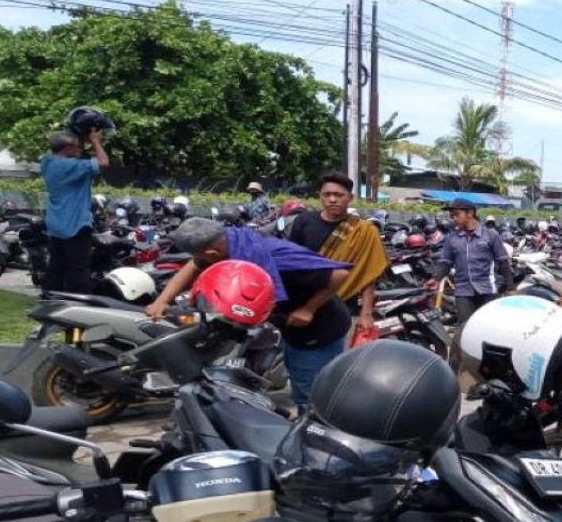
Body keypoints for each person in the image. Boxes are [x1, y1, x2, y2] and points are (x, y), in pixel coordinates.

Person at [144, 217, 352, 411]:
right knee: (297, 374)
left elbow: (340, 274)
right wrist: (162, 300)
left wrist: (308, 309)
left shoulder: (271, 256)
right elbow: (193, 266)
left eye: (198, 255)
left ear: (212, 253)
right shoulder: (230, 242)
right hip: (288, 325)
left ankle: (318, 437)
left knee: (310, 392)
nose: (197, 260)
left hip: (319, 327)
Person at [286, 171, 387, 338]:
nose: (332, 199)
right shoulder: (304, 221)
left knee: (340, 358)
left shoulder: (364, 230)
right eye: (327, 194)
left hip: (343, 306)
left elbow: (368, 275)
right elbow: (292, 262)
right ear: (320, 196)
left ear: (350, 197)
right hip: (304, 303)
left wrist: (366, 313)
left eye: (338, 195)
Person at [40, 128, 109, 293]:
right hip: (75, 224)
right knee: (78, 270)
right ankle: (78, 303)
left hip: (56, 224)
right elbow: (103, 162)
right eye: (77, 146)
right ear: (67, 148)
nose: (80, 149)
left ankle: (50, 300)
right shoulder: (70, 166)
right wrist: (96, 141)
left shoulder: (47, 163)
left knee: (56, 267)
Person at [427, 198, 513, 328]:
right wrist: (436, 279)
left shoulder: (491, 235)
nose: (454, 219)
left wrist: (510, 287)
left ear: (470, 213)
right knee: (465, 329)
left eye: (457, 214)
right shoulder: (451, 239)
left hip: (487, 289)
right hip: (463, 291)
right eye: (452, 216)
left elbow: (503, 261)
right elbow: (446, 262)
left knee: (490, 328)